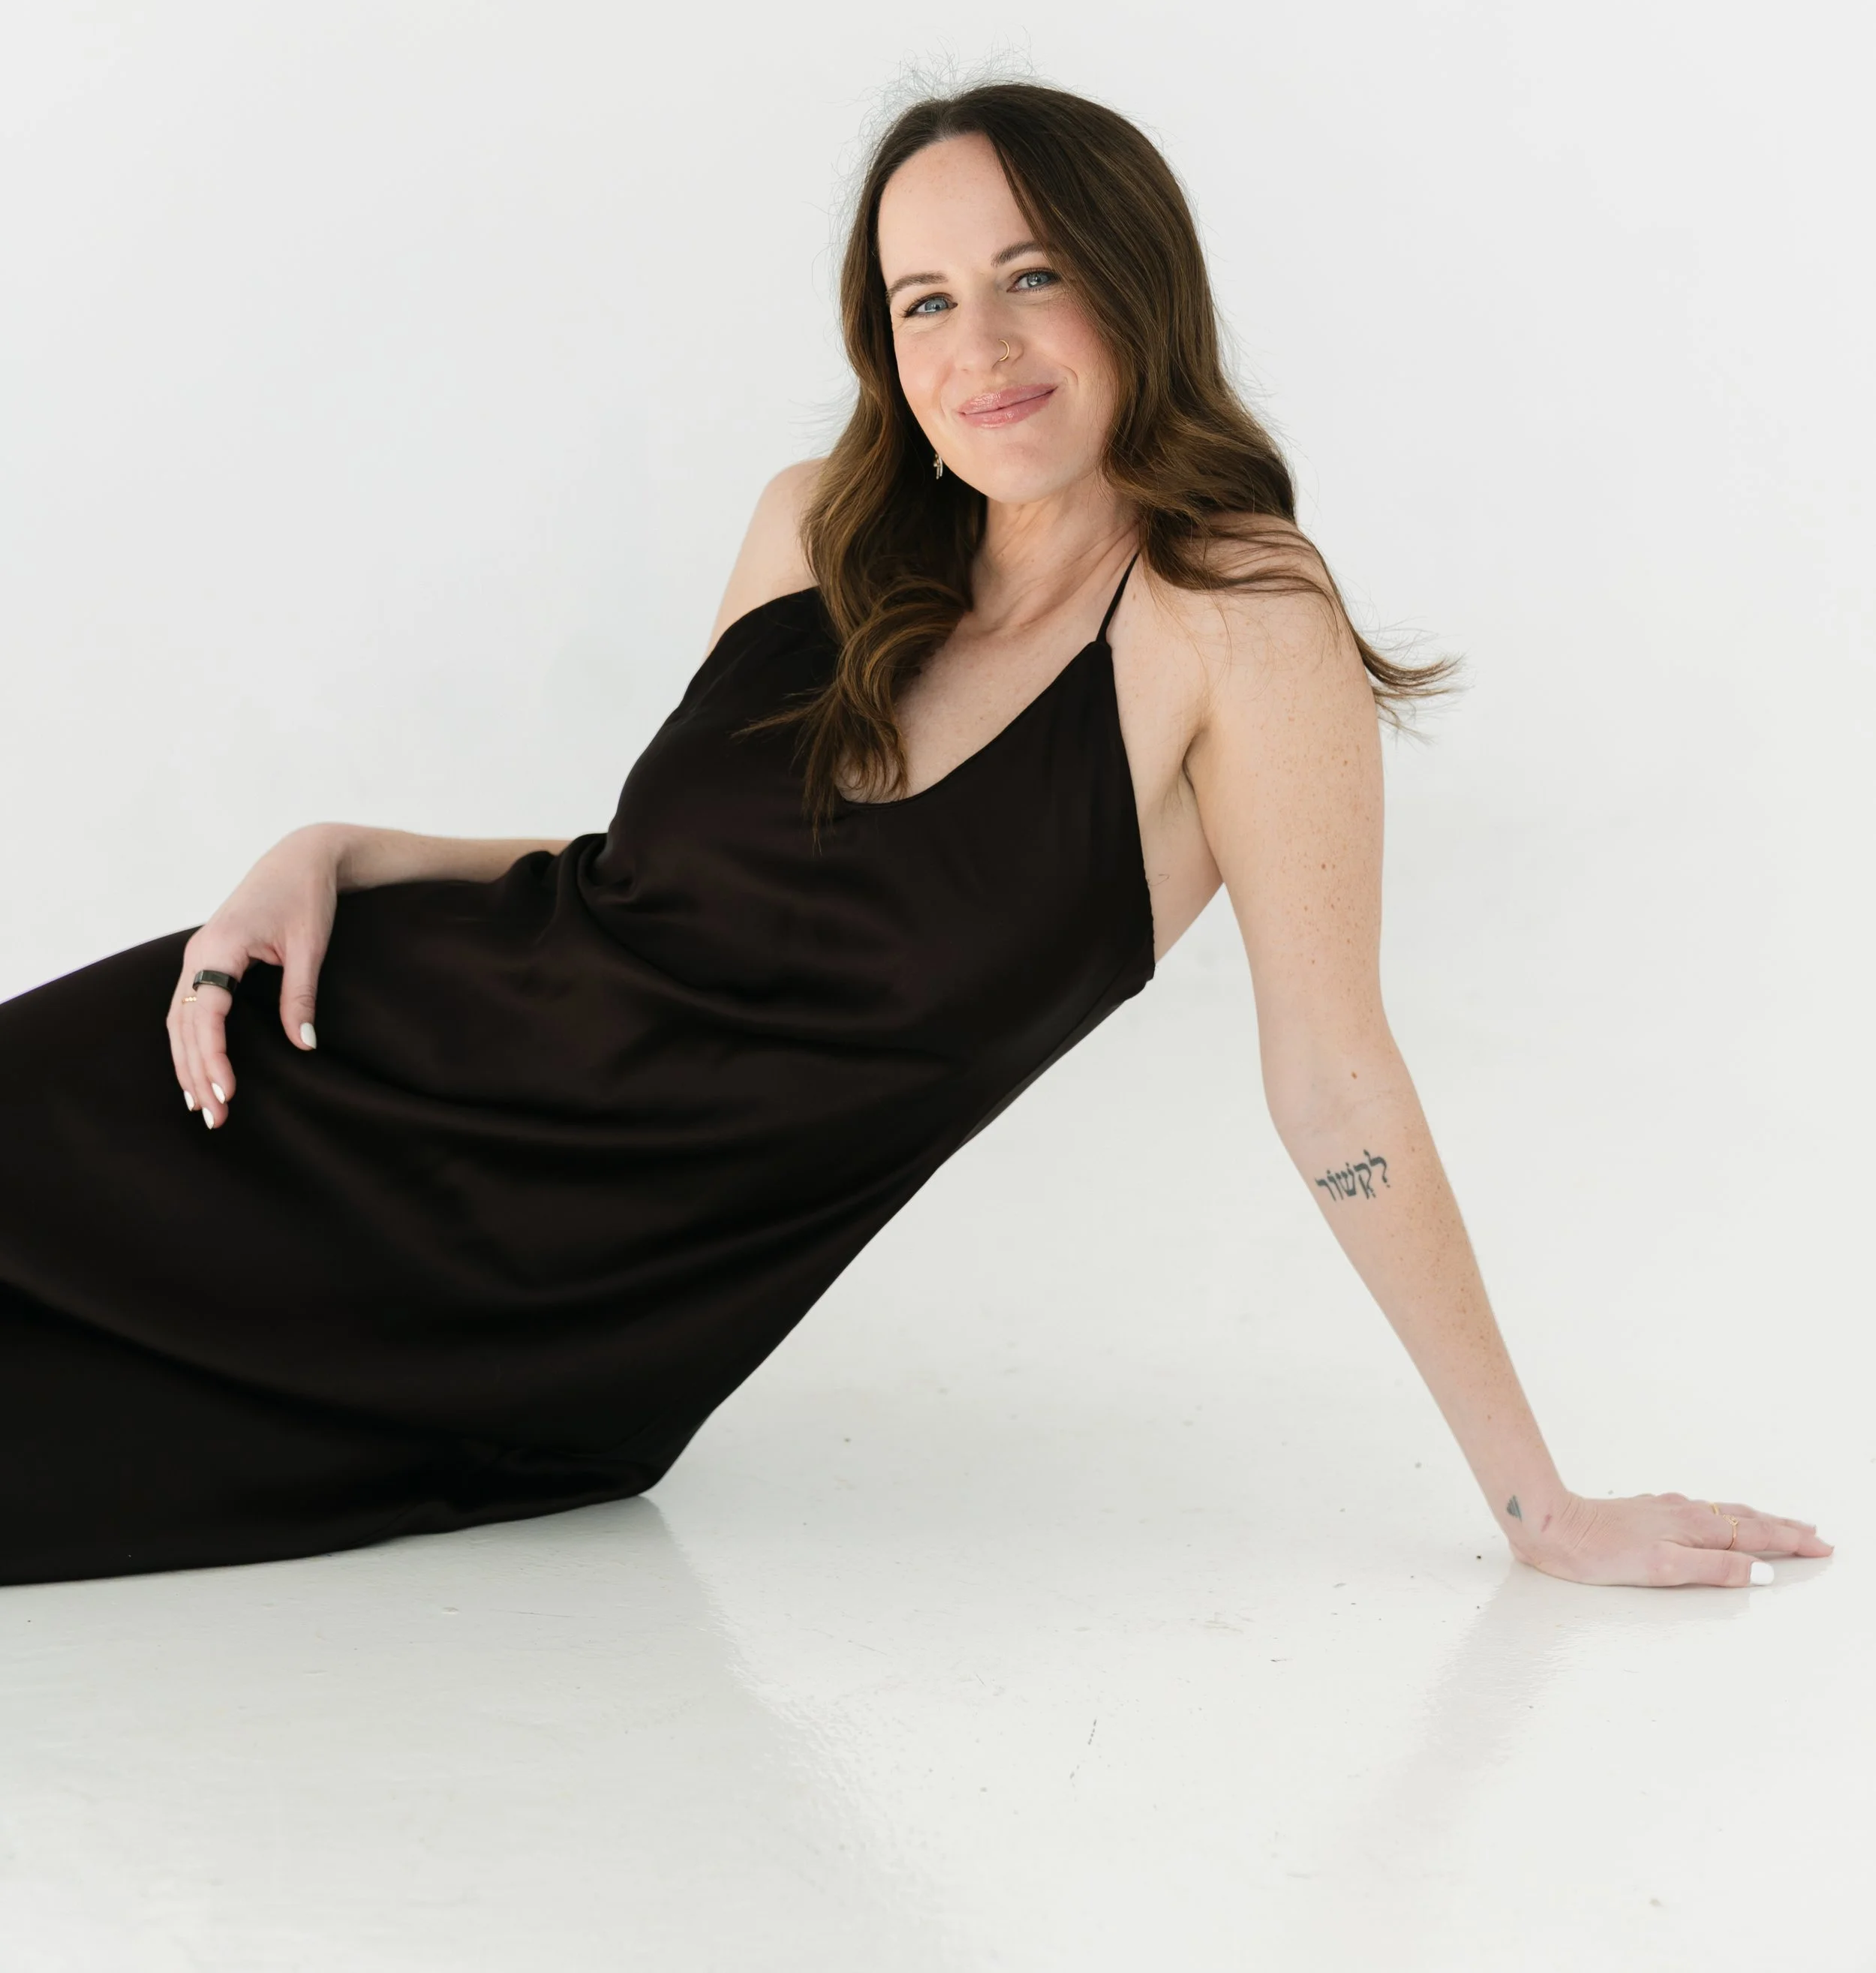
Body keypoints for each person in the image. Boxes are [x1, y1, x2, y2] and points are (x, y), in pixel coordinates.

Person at [0, 83, 1829, 1590]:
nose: (981, 346)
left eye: (1032, 276)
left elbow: (1333, 1078)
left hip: (528, 1318)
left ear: (1138, 287)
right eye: (924, 298)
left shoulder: (1233, 618)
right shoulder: (818, 524)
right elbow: (656, 891)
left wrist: (1534, 1502)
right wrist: (337, 847)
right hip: (294, 1073)